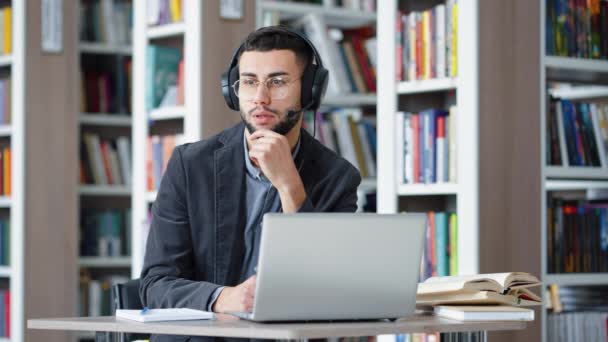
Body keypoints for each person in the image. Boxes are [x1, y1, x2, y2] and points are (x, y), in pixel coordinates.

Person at [139, 25, 361, 342]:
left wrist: (290, 187)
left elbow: (328, 293)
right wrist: (223, 298)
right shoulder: (191, 165)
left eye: (278, 82)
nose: (260, 97)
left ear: (310, 90)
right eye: (249, 82)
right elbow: (155, 285)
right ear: (233, 90)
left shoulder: (338, 178)